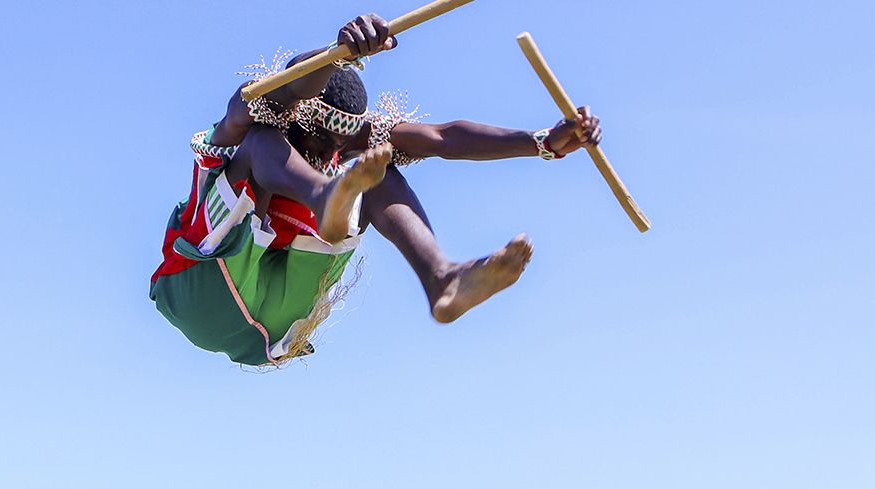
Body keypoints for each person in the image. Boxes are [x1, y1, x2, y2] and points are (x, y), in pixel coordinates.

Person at [149, 14, 606, 366]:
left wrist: (544, 142)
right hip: (200, 285)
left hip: (270, 325)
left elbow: (443, 138)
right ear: (295, 114)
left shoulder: (348, 149)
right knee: (260, 146)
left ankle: (442, 280)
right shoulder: (246, 121)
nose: (326, 153)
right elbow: (276, 98)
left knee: (380, 170)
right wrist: (337, 54)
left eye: (337, 146)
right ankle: (324, 198)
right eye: (312, 139)